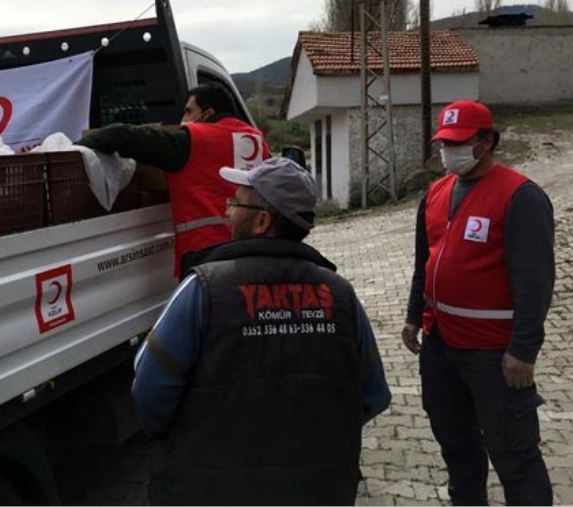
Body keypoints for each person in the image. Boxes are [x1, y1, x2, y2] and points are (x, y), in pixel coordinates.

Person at [132, 157, 391, 506]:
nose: (228, 211)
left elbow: (150, 391)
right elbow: (374, 395)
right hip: (319, 489)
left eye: (236, 202)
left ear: (262, 221)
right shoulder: (341, 295)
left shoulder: (204, 289)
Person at [401, 99, 555, 505]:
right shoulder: (435, 193)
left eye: (458, 142)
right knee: (458, 449)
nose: (448, 152)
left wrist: (523, 350)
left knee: (515, 457)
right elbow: (425, 261)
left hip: (493, 354)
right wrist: (414, 315)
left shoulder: (521, 197)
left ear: (486, 141)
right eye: (443, 143)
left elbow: (535, 282)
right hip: (441, 346)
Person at [76, 83, 269, 278]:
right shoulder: (258, 141)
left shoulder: (194, 139)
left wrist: (73, 149)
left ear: (208, 113)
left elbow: (123, 136)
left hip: (205, 255)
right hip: (255, 250)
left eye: (188, 112)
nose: (183, 119)